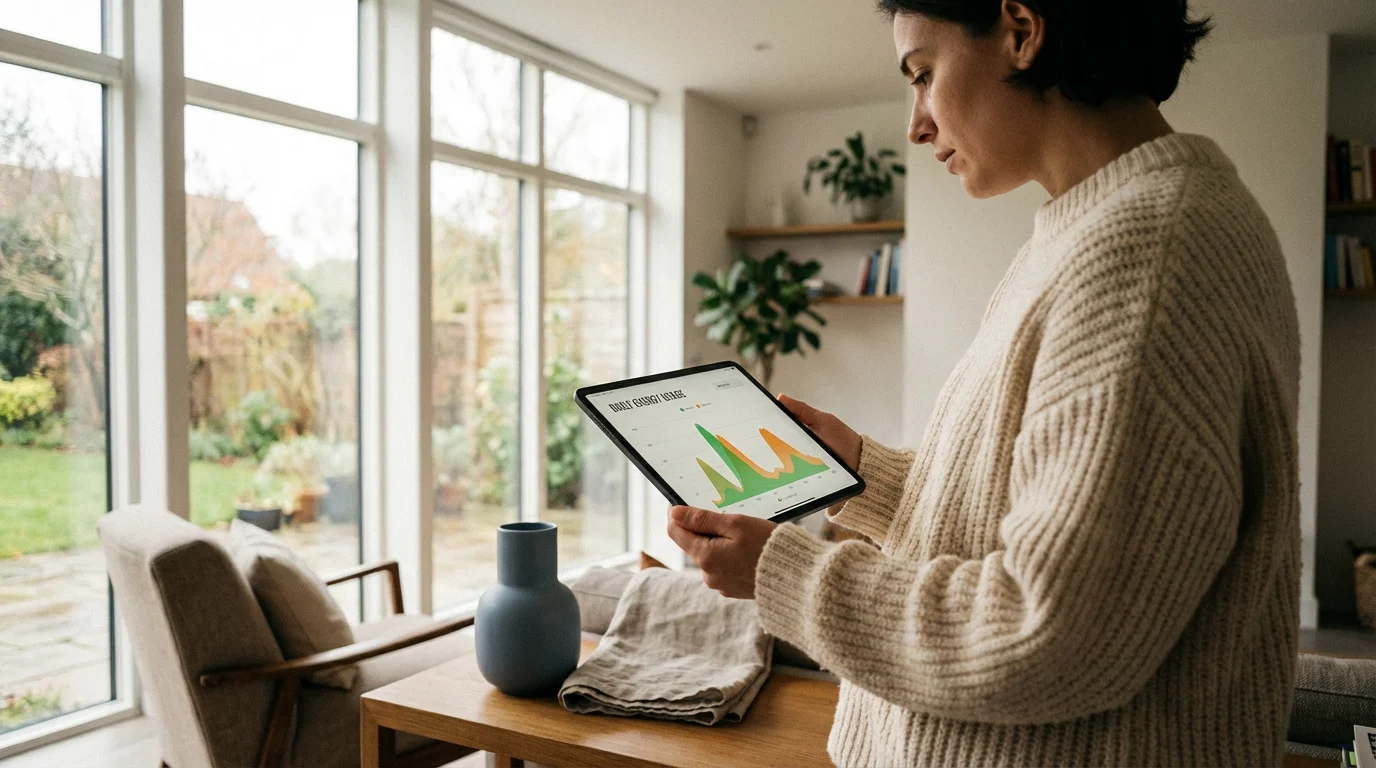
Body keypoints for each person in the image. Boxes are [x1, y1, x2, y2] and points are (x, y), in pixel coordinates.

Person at [666, 1, 1302, 765]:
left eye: (924, 74)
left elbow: (1048, 635)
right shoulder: (1103, 227)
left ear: (1023, 31)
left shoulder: (1148, 256)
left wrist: (782, 572)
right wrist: (864, 477)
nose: (917, 125)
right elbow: (1057, 517)